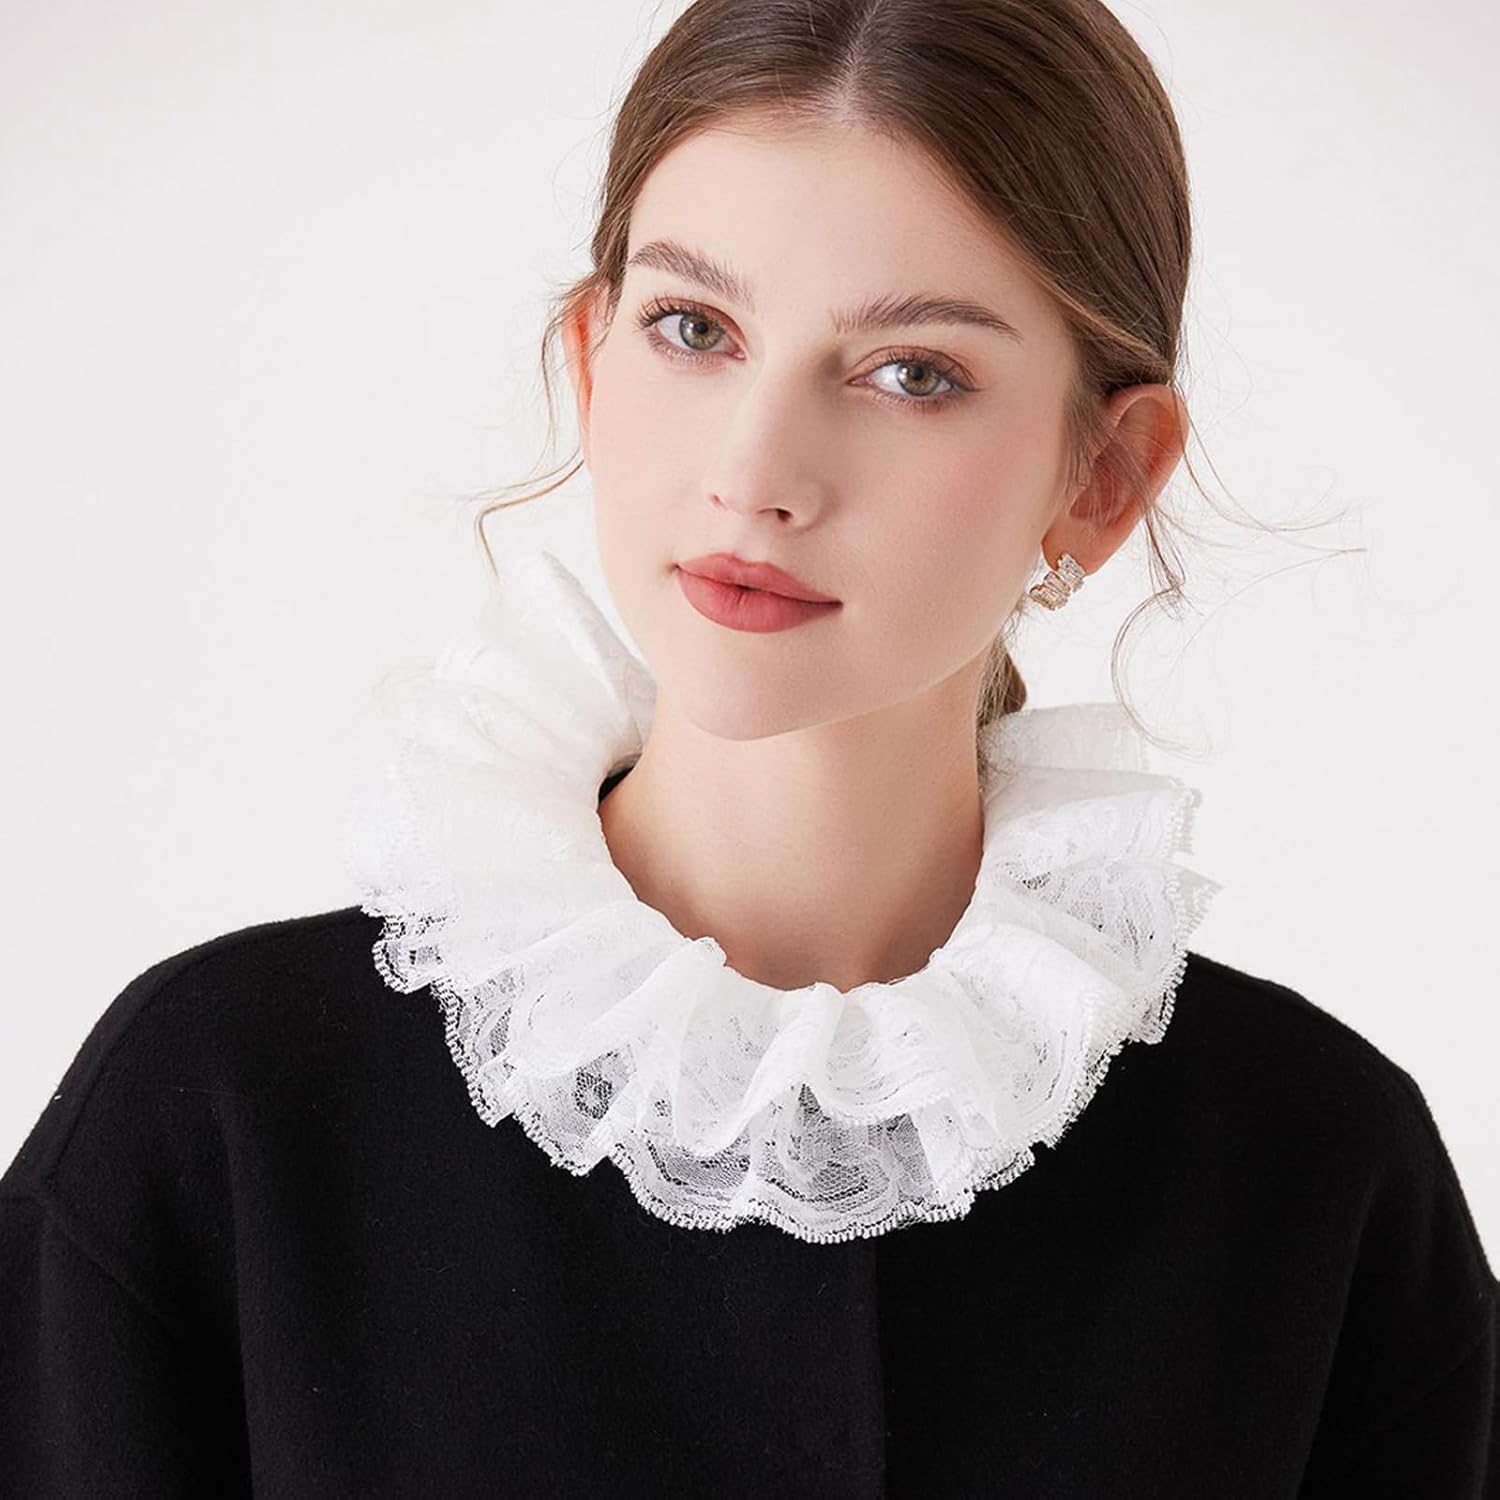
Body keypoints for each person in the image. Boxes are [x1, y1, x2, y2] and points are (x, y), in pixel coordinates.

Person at [2, 0, 1494, 1492]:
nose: (756, 474)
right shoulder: (217, 1115)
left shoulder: (1317, 1173)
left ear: (1101, 478)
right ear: (592, 361)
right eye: (694, 329)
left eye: (913, 371)